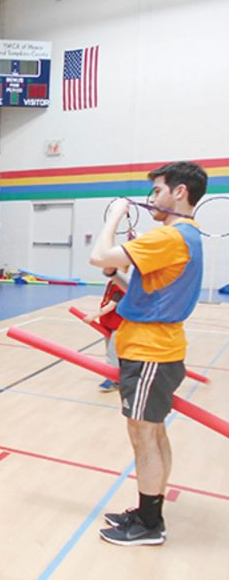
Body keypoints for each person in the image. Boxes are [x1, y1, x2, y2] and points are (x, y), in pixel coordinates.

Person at [90, 161, 207, 546]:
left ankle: (150, 524)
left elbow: (98, 255)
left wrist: (113, 215)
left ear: (180, 192)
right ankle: (147, 512)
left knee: (144, 437)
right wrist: (116, 275)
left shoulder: (171, 237)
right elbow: (146, 293)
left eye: (157, 191)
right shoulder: (183, 236)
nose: (150, 198)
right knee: (152, 433)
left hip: (150, 352)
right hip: (153, 349)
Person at [81, 269, 127, 392]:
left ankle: (112, 380)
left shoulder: (120, 286)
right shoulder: (111, 283)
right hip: (109, 323)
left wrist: (93, 316)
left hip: (119, 326)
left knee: (112, 353)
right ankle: (118, 378)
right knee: (112, 352)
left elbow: (111, 305)